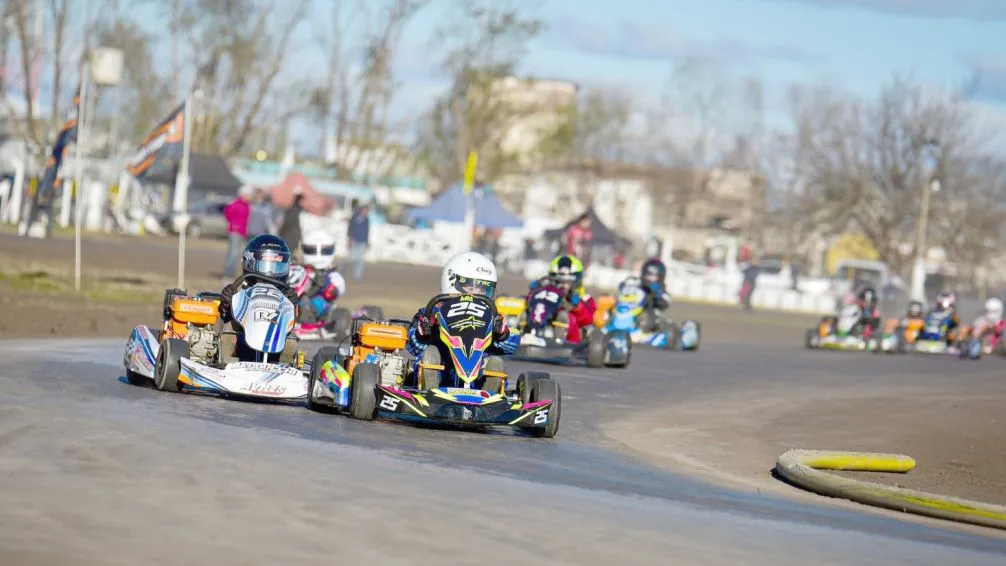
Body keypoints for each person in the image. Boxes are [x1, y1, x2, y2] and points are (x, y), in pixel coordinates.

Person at [406, 251, 518, 390]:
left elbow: (513, 343)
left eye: (482, 289)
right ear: (453, 283)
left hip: (476, 376)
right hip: (441, 370)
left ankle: (489, 396)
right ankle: (429, 390)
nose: (475, 293)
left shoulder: (491, 316)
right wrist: (423, 334)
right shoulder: (432, 312)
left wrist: (502, 334)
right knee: (430, 354)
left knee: (494, 363)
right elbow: (412, 346)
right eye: (471, 287)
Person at [217, 235, 300, 361]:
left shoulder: (285, 297)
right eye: (262, 265)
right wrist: (226, 304)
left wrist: (293, 305)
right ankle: (223, 362)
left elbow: (292, 322)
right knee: (229, 329)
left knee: (291, 339)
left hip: (275, 351)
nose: (268, 273)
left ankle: (285, 366)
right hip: (241, 350)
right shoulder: (241, 293)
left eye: (276, 267)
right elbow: (225, 317)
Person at [527, 254, 597, 344]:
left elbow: (589, 319)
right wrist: (533, 292)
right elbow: (529, 302)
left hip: (571, 338)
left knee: (564, 316)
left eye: (567, 282)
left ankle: (559, 341)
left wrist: (577, 306)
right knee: (521, 307)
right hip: (542, 322)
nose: (563, 285)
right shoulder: (545, 291)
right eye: (558, 281)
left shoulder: (584, 298)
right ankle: (526, 333)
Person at [287, 231, 347, 325]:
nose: (317, 255)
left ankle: (305, 313)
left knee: (317, 301)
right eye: (312, 250)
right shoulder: (298, 268)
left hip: (317, 305)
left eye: (324, 250)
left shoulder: (332, 274)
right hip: (292, 298)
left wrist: (322, 283)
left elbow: (337, 290)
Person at [222, 186, 254, 280]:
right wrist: (233, 224)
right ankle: (228, 273)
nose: (251, 197)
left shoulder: (246, 205)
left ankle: (232, 271)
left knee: (237, 252)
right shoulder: (236, 204)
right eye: (249, 195)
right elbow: (227, 213)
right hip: (235, 231)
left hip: (242, 231)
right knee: (233, 252)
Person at [347, 200, 370, 281]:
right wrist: (350, 238)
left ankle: (357, 277)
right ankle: (343, 273)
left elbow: (367, 231)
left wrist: (367, 242)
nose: (367, 212)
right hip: (354, 241)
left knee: (360, 261)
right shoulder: (355, 217)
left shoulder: (366, 219)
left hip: (362, 242)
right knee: (351, 259)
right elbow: (350, 228)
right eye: (366, 210)